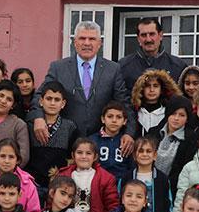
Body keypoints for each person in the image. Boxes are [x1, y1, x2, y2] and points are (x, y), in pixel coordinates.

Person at [31, 21, 136, 155]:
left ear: (99, 43)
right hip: (66, 142)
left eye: (92, 39)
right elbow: (39, 96)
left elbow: (124, 104)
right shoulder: (58, 68)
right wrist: (38, 118)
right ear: (75, 42)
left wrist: (129, 133)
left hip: (101, 142)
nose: (87, 43)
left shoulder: (113, 69)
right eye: (82, 38)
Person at [25, 81, 79, 202]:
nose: (53, 103)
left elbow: (72, 158)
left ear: (63, 103)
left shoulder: (70, 127)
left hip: (58, 185)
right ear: (41, 101)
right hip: (33, 183)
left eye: (57, 99)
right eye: (49, 99)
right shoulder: (29, 125)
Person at [57, 138, 119, 212]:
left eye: (88, 153)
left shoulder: (106, 178)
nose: (84, 156)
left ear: (95, 157)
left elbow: (112, 207)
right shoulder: (63, 175)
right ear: (73, 155)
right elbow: (54, 202)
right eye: (79, 153)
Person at [119, 17, 189, 92]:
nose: (148, 39)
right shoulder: (123, 66)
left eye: (152, 34)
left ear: (161, 35)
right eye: (143, 35)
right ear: (138, 38)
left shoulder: (178, 66)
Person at [146, 95, 199, 191]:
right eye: (173, 113)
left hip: (174, 189)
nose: (176, 118)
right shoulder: (153, 133)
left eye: (182, 115)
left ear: (187, 118)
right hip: (149, 185)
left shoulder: (191, 139)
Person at [119, 137, 172, 212]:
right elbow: (119, 203)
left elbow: (168, 204)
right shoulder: (126, 178)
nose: (144, 154)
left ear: (155, 155)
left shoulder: (162, 179)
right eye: (141, 151)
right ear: (134, 156)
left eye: (148, 151)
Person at [90, 101, 134, 180]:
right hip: (98, 182)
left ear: (124, 121)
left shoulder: (127, 142)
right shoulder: (92, 140)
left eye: (119, 117)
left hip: (121, 183)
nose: (114, 120)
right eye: (110, 116)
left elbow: (131, 167)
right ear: (103, 119)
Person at [131, 69, 181, 137]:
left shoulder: (168, 113)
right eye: (148, 86)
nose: (152, 90)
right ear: (142, 89)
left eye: (155, 86)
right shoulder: (135, 112)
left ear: (161, 90)